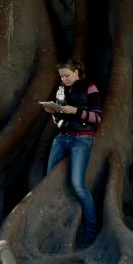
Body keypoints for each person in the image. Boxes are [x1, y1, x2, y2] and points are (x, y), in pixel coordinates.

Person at [43, 59, 102, 243]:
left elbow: (97, 117)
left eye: (67, 75)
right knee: (49, 179)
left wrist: (75, 111)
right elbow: (59, 118)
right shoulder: (61, 89)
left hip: (82, 139)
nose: (64, 79)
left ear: (77, 71)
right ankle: (51, 226)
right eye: (61, 76)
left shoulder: (90, 87)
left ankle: (91, 229)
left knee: (78, 185)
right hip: (62, 138)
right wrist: (53, 112)